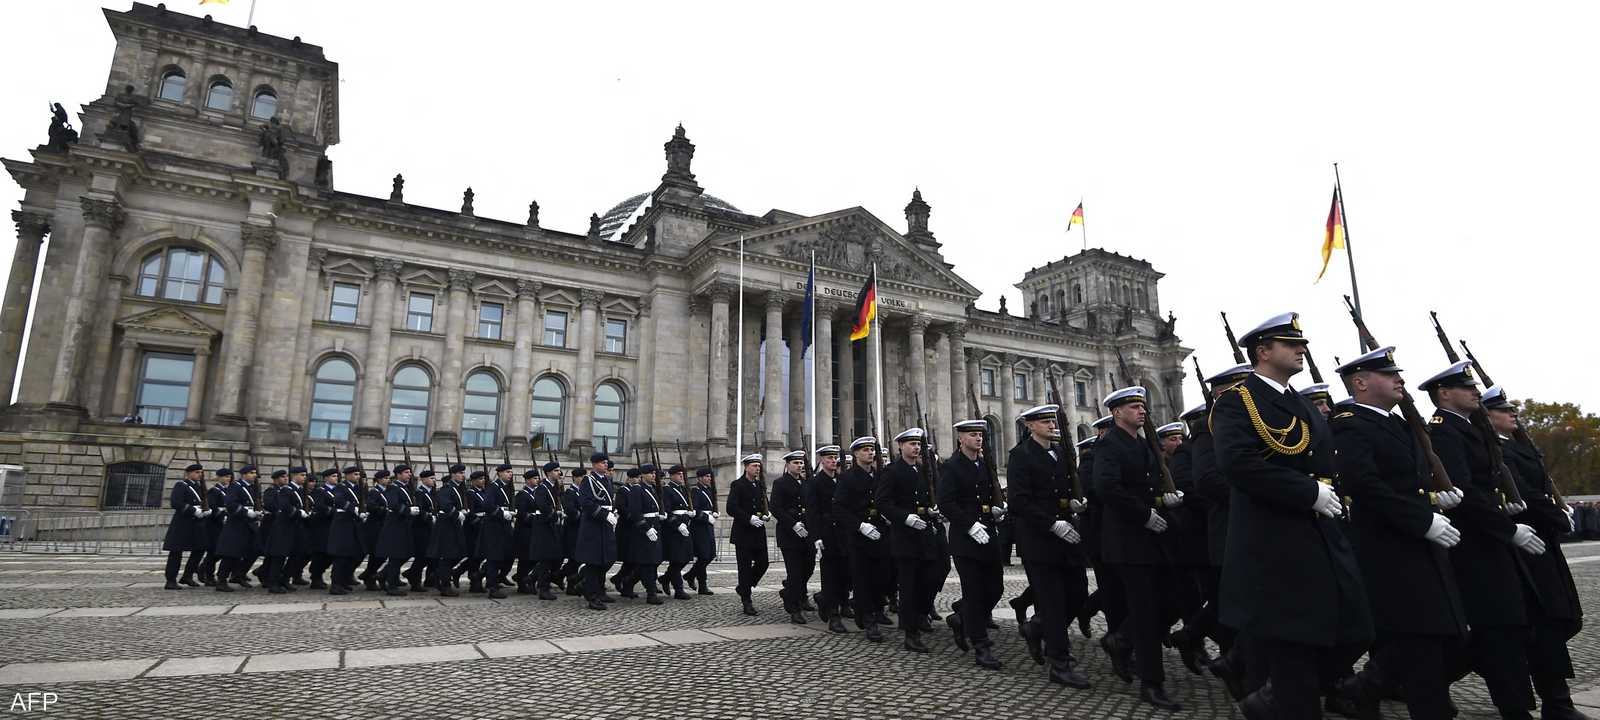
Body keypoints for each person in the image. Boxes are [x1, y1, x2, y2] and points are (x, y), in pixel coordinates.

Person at [1211, 312, 1373, 719]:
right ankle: (1276, 701)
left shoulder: (1300, 402)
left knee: (1350, 629)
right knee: (1294, 650)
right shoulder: (1238, 401)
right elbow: (1239, 464)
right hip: (1274, 537)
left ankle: (1268, 701)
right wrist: (1307, 491)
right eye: (1290, 344)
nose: (1302, 349)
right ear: (1263, 352)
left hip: (1320, 532)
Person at [1327, 346, 1467, 720]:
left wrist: (1437, 497)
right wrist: (1421, 520)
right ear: (1360, 383)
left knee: (1434, 637)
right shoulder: (1350, 423)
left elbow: (1409, 483)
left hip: (1418, 547)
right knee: (1419, 643)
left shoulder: (1399, 424)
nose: (1399, 379)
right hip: (1389, 550)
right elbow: (1365, 484)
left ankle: (1362, 689)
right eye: (1389, 374)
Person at [1485, 386, 1591, 720]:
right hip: (1525, 546)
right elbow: (1526, 495)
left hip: (1544, 544)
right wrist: (1557, 514)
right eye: (1504, 410)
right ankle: (1555, 702)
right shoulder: (1495, 451)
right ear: (1487, 417)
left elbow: (1540, 486)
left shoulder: (1518, 447)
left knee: (1564, 620)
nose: (1513, 414)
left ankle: (1557, 700)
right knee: (1545, 626)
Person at [1094, 387, 1182, 711]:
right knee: (1145, 611)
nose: (1141, 412)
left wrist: (1164, 499)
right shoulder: (1109, 445)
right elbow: (1107, 487)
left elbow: (1151, 484)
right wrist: (1144, 513)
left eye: (1142, 406)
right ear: (1117, 413)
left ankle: (1121, 640)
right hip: (1127, 540)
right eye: (1134, 407)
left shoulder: (1143, 443)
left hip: (1151, 537)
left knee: (1170, 599)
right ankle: (1151, 682)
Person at [1008, 404, 1092, 690]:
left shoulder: (1061, 453)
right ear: (1030, 426)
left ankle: (1037, 627)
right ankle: (1060, 662)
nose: (1051, 425)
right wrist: (1050, 523)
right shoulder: (1020, 455)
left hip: (1067, 538)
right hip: (1039, 540)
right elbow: (1019, 500)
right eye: (1045, 422)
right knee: (1053, 602)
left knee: (1079, 593)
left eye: (1052, 421)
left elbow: (1067, 489)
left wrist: (1075, 503)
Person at [940, 419, 1006, 670]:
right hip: (965, 540)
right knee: (975, 592)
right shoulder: (952, 466)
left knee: (996, 588)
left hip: (988, 535)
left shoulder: (985, 464)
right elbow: (946, 503)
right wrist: (969, 524)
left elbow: (987, 496)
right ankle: (981, 645)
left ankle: (961, 618)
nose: (978, 439)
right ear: (961, 438)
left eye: (980, 434)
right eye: (972, 435)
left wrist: (997, 510)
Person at [878, 428, 948, 654]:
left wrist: (933, 510)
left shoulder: (922, 470)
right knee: (908, 586)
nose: (916, 448)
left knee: (931, 578)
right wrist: (904, 517)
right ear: (900, 446)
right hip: (905, 537)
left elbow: (928, 498)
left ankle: (920, 615)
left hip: (925, 534)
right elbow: (883, 502)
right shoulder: (892, 471)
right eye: (911, 444)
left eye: (918, 444)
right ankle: (910, 632)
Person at [834, 437, 894, 642]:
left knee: (881, 578)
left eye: (872, 450)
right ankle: (869, 620)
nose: (870, 453)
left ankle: (870, 610)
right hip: (859, 538)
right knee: (862, 580)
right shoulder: (848, 478)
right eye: (866, 450)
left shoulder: (881, 476)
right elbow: (839, 508)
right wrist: (860, 525)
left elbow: (886, 501)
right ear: (856, 454)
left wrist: (889, 515)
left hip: (881, 535)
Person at [806, 446, 852, 633]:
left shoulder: (843, 480)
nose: (834, 461)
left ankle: (831, 600)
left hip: (845, 533)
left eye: (835, 458)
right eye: (830, 458)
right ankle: (834, 614)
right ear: (822, 460)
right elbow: (812, 512)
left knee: (846, 574)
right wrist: (815, 536)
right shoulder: (815, 483)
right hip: (827, 534)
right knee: (831, 576)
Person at [772, 450, 817, 624]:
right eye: (795, 463)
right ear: (788, 465)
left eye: (800, 463)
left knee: (808, 569)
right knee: (795, 572)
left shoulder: (807, 484)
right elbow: (776, 508)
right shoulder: (780, 483)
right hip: (789, 535)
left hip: (807, 534)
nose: (799, 466)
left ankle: (790, 592)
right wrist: (793, 524)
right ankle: (794, 608)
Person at [727, 454, 771, 616]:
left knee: (763, 563)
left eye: (758, 466)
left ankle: (743, 587)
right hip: (744, 533)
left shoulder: (759, 485)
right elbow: (731, 508)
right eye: (754, 466)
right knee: (744, 568)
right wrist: (748, 518)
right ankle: (747, 600)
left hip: (758, 532)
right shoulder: (737, 485)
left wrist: (767, 513)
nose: (757, 469)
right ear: (746, 467)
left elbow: (764, 502)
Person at [576, 452, 620, 611]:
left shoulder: (606, 480)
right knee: (593, 562)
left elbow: (608, 502)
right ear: (594, 465)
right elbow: (586, 503)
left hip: (605, 525)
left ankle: (599, 591)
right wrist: (604, 514)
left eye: (606, 462)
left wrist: (613, 512)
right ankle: (592, 596)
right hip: (593, 526)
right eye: (602, 463)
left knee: (606, 559)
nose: (605, 465)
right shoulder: (588, 480)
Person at [161, 463, 209, 590]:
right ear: (188, 473)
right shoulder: (181, 485)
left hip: (197, 524)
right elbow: (176, 503)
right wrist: (193, 510)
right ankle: (170, 580)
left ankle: (187, 576)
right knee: (176, 552)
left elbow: (204, 501)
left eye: (201, 472)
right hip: (183, 523)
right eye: (197, 472)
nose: (200, 475)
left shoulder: (200, 487)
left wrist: (207, 510)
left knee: (200, 549)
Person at [625, 464, 666, 605]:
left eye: (654, 473)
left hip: (655, 526)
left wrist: (660, 515)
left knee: (653, 561)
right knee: (648, 563)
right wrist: (646, 528)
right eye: (650, 473)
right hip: (644, 531)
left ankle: (628, 583)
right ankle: (651, 593)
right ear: (643, 475)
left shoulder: (651, 489)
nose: (653, 476)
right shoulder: (637, 489)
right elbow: (635, 512)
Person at [426, 465, 468, 597]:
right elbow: (445, 503)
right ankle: (444, 585)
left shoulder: (458, 488)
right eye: (460, 473)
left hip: (454, 526)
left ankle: (438, 575)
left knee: (458, 554)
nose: (463, 475)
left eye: (463, 473)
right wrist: (456, 513)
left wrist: (462, 511)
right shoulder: (447, 488)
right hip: (447, 526)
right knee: (448, 555)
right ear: (453, 474)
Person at [527, 463, 566, 601]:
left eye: (559, 470)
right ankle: (543, 589)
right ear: (548, 473)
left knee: (553, 558)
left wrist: (560, 512)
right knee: (546, 559)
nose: (559, 473)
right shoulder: (542, 488)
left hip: (552, 526)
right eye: (556, 471)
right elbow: (542, 505)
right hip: (544, 526)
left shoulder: (554, 487)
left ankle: (533, 579)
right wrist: (554, 514)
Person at [262, 468, 303, 595]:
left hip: (292, 527)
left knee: (295, 555)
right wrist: (297, 512)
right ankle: (273, 583)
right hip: (282, 527)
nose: (285, 479)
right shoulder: (284, 490)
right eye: (282, 477)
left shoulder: (295, 490)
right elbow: (283, 506)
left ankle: (284, 579)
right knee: (278, 556)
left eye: (286, 476)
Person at [659, 465, 695, 600]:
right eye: (679, 474)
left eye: (683, 474)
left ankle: (665, 578)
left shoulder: (684, 489)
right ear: (672, 475)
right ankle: (679, 589)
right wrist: (677, 524)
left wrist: (691, 512)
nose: (682, 476)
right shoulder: (667, 490)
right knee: (677, 559)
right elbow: (666, 511)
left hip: (686, 526)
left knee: (685, 558)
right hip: (674, 529)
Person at [687, 468, 719, 595]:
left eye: (710, 477)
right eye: (706, 476)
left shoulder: (709, 490)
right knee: (704, 556)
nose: (709, 479)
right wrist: (707, 517)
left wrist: (715, 513)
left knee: (710, 555)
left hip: (708, 526)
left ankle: (690, 575)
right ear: (699, 478)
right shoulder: (695, 491)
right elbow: (694, 510)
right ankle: (702, 585)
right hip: (699, 527)